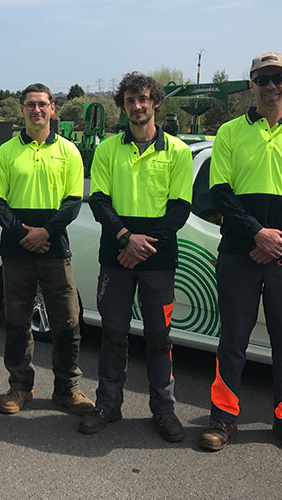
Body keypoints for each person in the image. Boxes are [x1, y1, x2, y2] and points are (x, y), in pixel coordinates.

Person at [198, 52, 282, 457]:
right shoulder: (230, 133)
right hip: (240, 251)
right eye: (264, 78)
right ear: (251, 84)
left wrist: (279, 239)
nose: (272, 86)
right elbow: (220, 191)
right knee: (232, 338)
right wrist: (257, 234)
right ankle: (223, 418)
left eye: (280, 78)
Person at [78, 72, 193, 442]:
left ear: (156, 102)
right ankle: (107, 406)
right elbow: (99, 201)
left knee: (160, 337)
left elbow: (179, 211)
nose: (137, 106)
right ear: (123, 105)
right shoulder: (109, 149)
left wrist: (142, 246)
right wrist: (126, 238)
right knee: (113, 334)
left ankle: (164, 410)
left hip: (157, 262)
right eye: (130, 100)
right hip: (116, 258)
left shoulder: (176, 151)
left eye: (144, 99)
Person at [0, 83, 94, 416]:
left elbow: (73, 202)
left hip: (55, 248)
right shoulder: (6, 152)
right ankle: (20, 387)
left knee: (67, 322)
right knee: (17, 322)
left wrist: (45, 232)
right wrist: (24, 233)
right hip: (16, 250)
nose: (36, 110)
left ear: (52, 109)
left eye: (42, 105)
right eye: (30, 105)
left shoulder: (69, 151)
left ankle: (67, 390)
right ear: (22, 110)